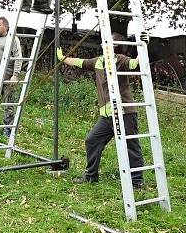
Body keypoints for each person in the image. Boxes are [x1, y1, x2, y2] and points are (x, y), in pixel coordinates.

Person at [56, 32, 148, 188]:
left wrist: (144, 46)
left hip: (125, 113)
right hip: (106, 116)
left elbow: (136, 64)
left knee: (131, 145)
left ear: (115, 46)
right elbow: (79, 62)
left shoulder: (120, 60)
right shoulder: (98, 61)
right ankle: (91, 176)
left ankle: (137, 181)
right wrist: (62, 58)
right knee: (92, 141)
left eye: (108, 43)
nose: (104, 46)